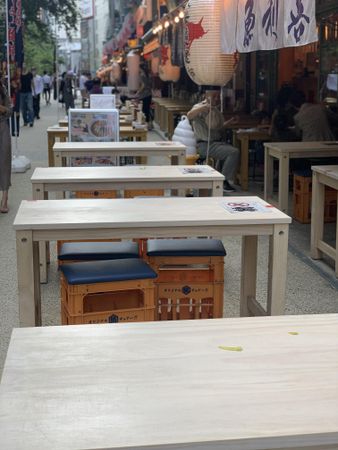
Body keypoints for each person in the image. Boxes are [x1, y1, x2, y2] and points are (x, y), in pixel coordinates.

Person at [187, 90, 240, 193]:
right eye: (214, 96)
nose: (217, 98)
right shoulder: (200, 107)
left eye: (218, 96)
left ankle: (220, 178)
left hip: (215, 143)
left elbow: (216, 128)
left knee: (229, 150)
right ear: (207, 96)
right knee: (233, 152)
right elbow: (189, 115)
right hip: (204, 145)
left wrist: (229, 122)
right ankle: (223, 182)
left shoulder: (215, 109)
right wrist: (203, 107)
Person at [0, 75, 12, 213]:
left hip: (2, 129)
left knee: (4, 162)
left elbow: (9, 111)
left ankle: (4, 198)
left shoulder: (3, 90)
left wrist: (2, 108)